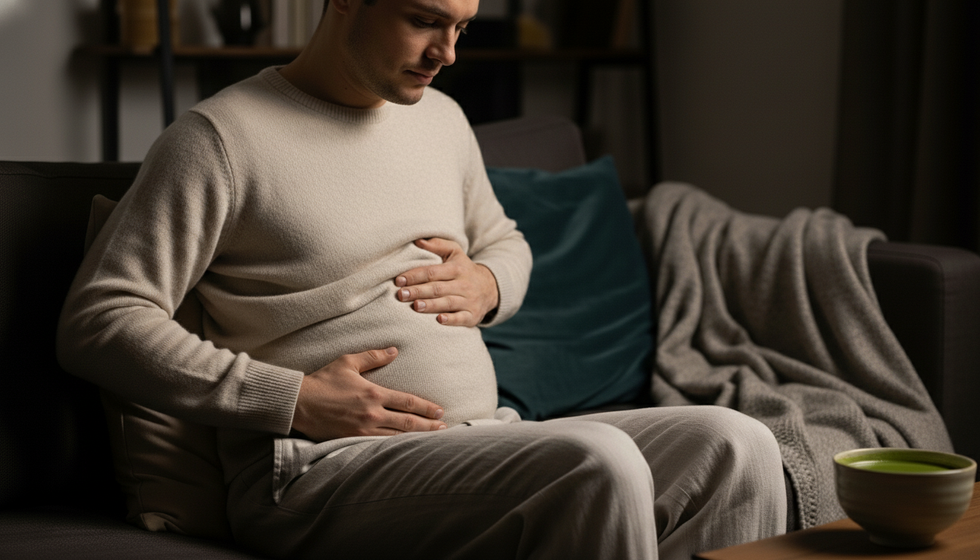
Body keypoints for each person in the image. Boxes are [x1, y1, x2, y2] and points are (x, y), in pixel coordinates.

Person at [57, 0, 788, 558]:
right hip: (312, 470)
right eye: (424, 22)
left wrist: (492, 284)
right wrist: (296, 398)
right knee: (597, 464)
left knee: (739, 441)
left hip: (482, 440)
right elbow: (101, 321)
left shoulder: (441, 119)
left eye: (464, 28)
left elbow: (505, 240)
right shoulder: (218, 140)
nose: (447, 52)